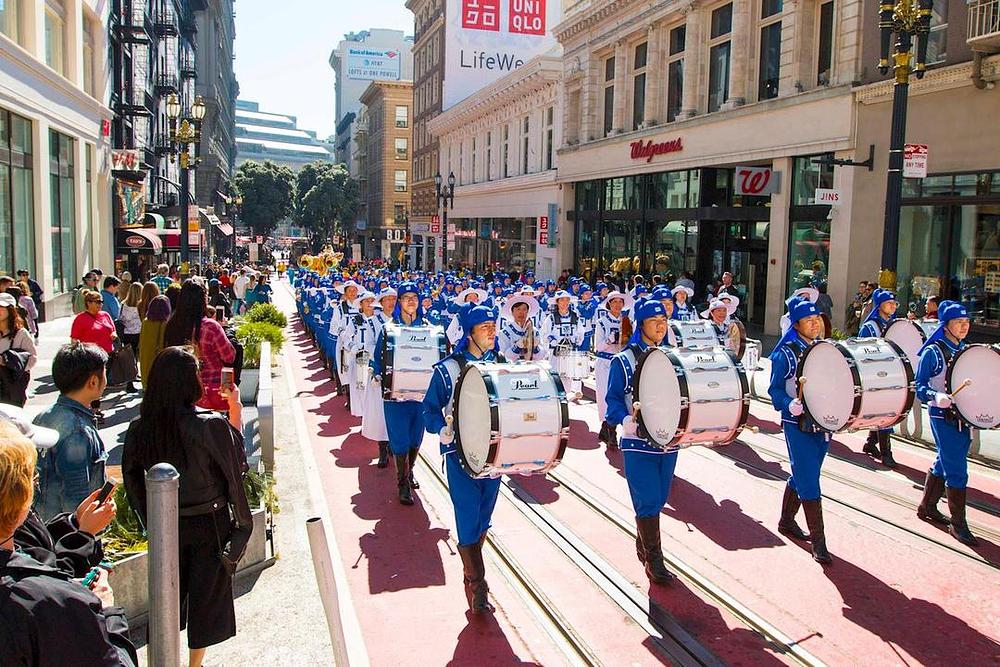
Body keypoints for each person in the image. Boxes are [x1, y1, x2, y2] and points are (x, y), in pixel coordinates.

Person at [122, 346, 252, 667]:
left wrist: (149, 519)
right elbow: (235, 473)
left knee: (164, 599)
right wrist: (242, 527)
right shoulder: (209, 424)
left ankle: (164, 660)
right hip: (210, 521)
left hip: (166, 523)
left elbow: (131, 479)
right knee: (206, 601)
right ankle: (195, 664)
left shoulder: (141, 428)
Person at [0, 420, 139, 667]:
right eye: (33, 479)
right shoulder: (47, 603)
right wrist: (108, 613)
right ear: (21, 498)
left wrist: (75, 525)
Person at [423, 304, 503, 613]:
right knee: (468, 515)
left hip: (494, 457)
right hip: (459, 456)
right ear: (469, 333)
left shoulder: (501, 364)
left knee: (483, 517)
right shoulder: (447, 369)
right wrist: (441, 429)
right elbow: (430, 409)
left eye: (493, 326)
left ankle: (471, 571)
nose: (492, 332)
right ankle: (477, 585)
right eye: (485, 328)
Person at [604, 299, 676, 584]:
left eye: (664, 321)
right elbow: (612, 401)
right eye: (654, 321)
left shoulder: (672, 357)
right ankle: (654, 561)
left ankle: (643, 539)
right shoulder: (623, 361)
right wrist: (624, 420)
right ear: (640, 325)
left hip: (668, 441)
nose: (661, 326)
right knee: (647, 499)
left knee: (659, 498)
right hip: (637, 442)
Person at [768, 296, 832, 564]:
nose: (815, 324)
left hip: (822, 423)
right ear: (796, 324)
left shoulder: (823, 349)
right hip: (797, 423)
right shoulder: (785, 353)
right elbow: (774, 391)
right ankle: (819, 542)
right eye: (808, 320)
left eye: (817, 319)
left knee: (806, 473)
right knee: (809, 480)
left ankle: (786, 520)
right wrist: (788, 403)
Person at [914, 301, 978, 546]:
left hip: (963, 416)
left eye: (966, 322)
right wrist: (936, 395)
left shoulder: (965, 349)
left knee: (946, 460)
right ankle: (958, 524)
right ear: (945, 325)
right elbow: (920, 387)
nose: (964, 326)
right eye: (958, 322)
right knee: (957, 469)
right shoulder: (933, 352)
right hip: (943, 415)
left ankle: (927, 506)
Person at [32, 342, 109, 521]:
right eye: (105, 373)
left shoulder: (43, 416)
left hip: (41, 524)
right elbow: (76, 501)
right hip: (66, 532)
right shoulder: (78, 431)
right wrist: (83, 532)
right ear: (93, 381)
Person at [371, 282, 430, 505]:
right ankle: (402, 483)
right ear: (399, 302)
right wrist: (376, 373)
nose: (411, 301)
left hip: (420, 395)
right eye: (406, 297)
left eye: (415, 297)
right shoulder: (388, 329)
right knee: (399, 439)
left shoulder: (428, 328)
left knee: (416, 436)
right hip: (395, 394)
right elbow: (377, 357)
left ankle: (410, 470)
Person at [163, 281, 237, 412]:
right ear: (203, 300)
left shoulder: (172, 325)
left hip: (180, 393)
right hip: (211, 393)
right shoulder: (210, 327)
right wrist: (224, 331)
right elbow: (229, 356)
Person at [857, 288, 900, 466]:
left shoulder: (895, 325)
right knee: (886, 410)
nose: (893, 306)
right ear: (880, 305)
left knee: (888, 409)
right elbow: (861, 350)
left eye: (894, 303)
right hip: (877, 375)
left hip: (894, 373)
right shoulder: (870, 327)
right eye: (889, 303)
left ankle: (870, 443)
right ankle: (886, 453)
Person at [595, 290, 632, 449]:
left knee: (621, 396)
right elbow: (598, 346)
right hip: (605, 362)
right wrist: (611, 339)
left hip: (621, 363)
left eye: (620, 302)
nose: (617, 305)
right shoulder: (602, 322)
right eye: (614, 301)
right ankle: (610, 431)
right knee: (606, 396)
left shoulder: (627, 321)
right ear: (609, 304)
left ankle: (607, 429)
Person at [0, 292, 37, 406]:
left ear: (10, 310)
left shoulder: (21, 334)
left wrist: (8, 362)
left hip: (12, 388)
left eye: (1, 307)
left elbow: (32, 359)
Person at [139, 295, 171, 389]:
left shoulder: (145, 321)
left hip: (145, 357)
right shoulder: (164, 324)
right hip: (157, 360)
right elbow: (162, 344)